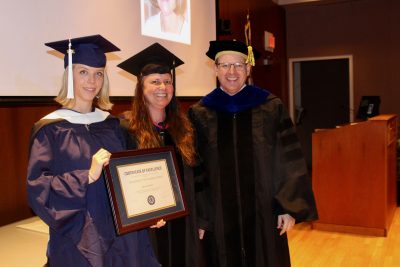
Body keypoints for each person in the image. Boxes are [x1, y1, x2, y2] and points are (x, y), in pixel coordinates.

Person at [27, 35, 160, 267]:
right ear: (69, 76)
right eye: (83, 72)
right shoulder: (50, 130)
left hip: (122, 238)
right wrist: (86, 176)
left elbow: (129, 179)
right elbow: (39, 190)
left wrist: (147, 211)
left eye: (98, 73)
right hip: (78, 238)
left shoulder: (113, 125)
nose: (92, 81)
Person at [188, 40, 318, 267]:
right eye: (225, 65)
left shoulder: (270, 107)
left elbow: (288, 159)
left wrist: (287, 207)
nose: (232, 72)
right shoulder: (200, 113)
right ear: (216, 69)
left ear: (248, 69)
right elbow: (195, 169)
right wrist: (201, 216)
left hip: (264, 210)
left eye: (238, 65)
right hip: (218, 215)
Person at [117, 42, 206, 267]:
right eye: (155, 81)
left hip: (184, 225)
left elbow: (199, 178)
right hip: (147, 229)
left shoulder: (184, 128)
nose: (162, 87)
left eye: (167, 82)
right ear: (141, 87)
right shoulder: (126, 129)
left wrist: (202, 219)